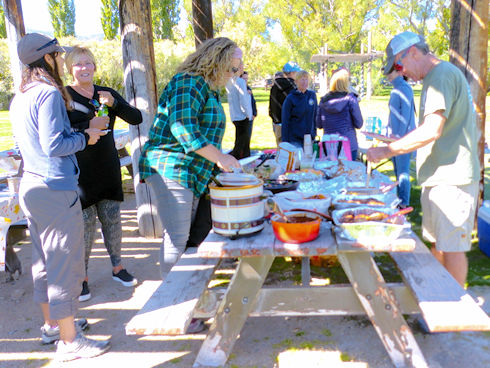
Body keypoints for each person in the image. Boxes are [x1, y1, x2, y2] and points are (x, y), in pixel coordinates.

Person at [10, 33, 110, 360]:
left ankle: (52, 325)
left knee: (43, 262)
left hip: (31, 187)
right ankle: (69, 342)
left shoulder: (20, 96)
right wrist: (87, 137)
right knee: (64, 265)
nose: (61, 60)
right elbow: (54, 146)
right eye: (57, 54)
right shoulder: (49, 94)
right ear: (48, 58)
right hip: (55, 189)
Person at [139, 37, 241, 331]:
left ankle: (190, 300)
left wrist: (217, 162)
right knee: (177, 240)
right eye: (232, 69)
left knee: (192, 239)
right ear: (217, 61)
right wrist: (221, 158)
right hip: (172, 168)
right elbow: (184, 131)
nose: (233, 76)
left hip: (193, 172)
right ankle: (175, 308)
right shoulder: (188, 82)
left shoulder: (208, 88)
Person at [366, 31, 480, 287]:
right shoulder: (435, 77)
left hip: (453, 179)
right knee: (439, 245)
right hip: (441, 178)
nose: (402, 72)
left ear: (413, 52)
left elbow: (432, 130)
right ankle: (437, 299)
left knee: (451, 248)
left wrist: (387, 151)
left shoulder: (441, 76)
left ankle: (451, 313)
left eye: (398, 65)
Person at [64, 46, 143, 302]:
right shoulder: (63, 96)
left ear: (95, 66)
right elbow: (60, 132)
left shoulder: (105, 93)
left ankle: (118, 268)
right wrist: (88, 125)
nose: (84, 68)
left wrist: (115, 103)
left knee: (112, 220)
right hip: (80, 172)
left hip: (108, 167)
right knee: (84, 228)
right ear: (69, 69)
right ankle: (82, 278)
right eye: (78, 64)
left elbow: (136, 118)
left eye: (88, 63)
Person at [385, 67, 416, 208]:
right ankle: (400, 200)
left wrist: (399, 138)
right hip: (395, 138)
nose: (386, 74)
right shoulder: (397, 88)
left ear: (398, 72)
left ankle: (404, 203)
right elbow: (394, 115)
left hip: (403, 140)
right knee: (398, 171)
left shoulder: (404, 88)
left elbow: (405, 117)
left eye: (389, 71)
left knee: (403, 172)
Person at [316, 68, 363, 159]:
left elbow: (319, 124)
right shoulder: (351, 99)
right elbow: (359, 123)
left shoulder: (323, 101)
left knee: (328, 171)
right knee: (348, 172)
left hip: (328, 145)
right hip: (348, 144)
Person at [281, 70, 317, 148]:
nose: (305, 82)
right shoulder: (291, 98)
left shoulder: (312, 95)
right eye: (302, 79)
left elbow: (315, 115)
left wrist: (314, 133)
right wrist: (285, 141)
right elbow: (285, 120)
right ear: (296, 81)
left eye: (306, 79)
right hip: (295, 139)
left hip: (309, 138)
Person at [269, 61, 301, 146]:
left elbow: (271, 106)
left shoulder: (275, 86)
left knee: (281, 150)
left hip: (277, 122)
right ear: (292, 73)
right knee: (292, 151)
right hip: (290, 123)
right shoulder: (293, 88)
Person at [226, 61, 253, 159]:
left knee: (239, 141)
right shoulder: (240, 82)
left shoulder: (229, 82)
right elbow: (243, 101)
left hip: (235, 115)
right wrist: (248, 114)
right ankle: (239, 164)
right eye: (241, 66)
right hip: (242, 116)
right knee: (243, 146)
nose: (242, 68)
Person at [241, 70, 257, 141]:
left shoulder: (248, 88)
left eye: (246, 79)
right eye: (244, 79)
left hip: (250, 116)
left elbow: (253, 102)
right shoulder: (237, 89)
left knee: (248, 135)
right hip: (242, 117)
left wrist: (254, 113)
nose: (245, 80)